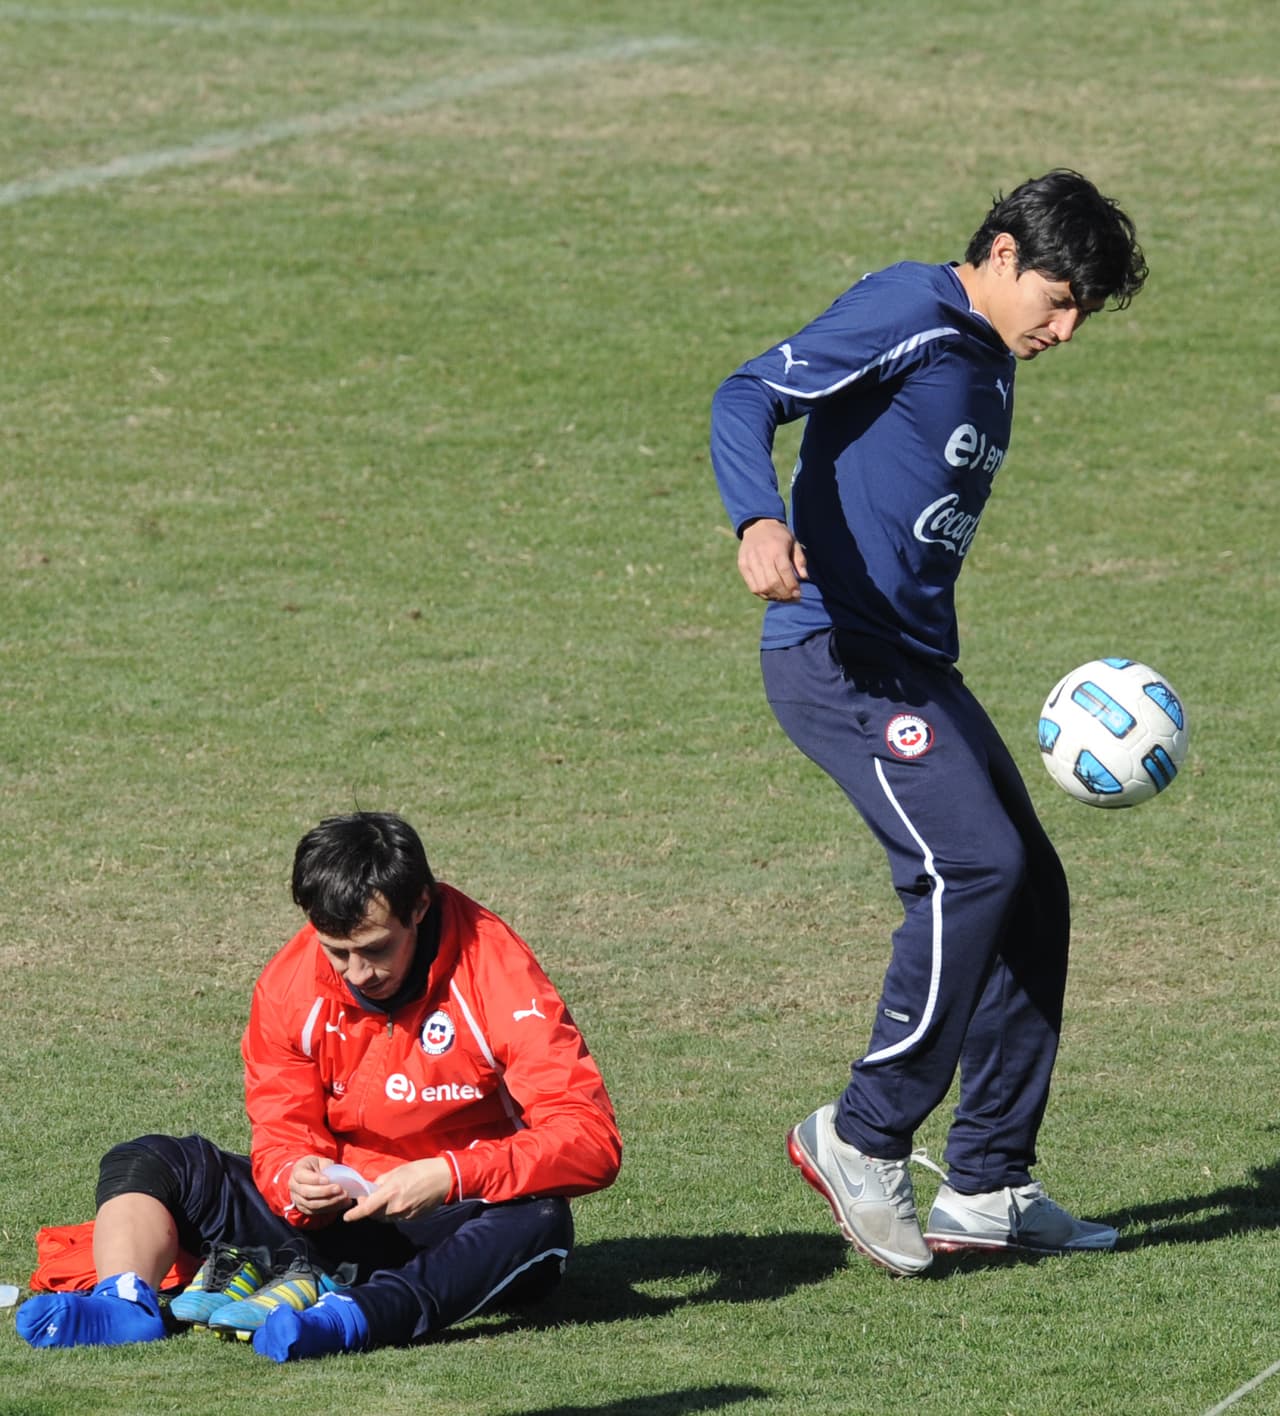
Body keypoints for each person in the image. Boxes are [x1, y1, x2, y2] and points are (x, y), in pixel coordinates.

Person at [709, 170, 1147, 1276]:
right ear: (1000, 253)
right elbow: (747, 391)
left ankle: (988, 1181)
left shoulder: (989, 355)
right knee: (972, 865)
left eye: (1082, 313)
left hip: (913, 667)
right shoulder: (911, 306)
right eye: (1057, 298)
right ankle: (861, 1136)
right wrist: (756, 518)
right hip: (833, 655)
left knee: (1031, 892)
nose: (1065, 329)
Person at [18, 812, 622, 1357]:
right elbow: (281, 1127)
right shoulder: (290, 984)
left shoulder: (494, 969)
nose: (358, 973)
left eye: (375, 949)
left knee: (541, 1220)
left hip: (457, 1219)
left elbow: (590, 1139)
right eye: (337, 952)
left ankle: (351, 1319)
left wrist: (450, 1175)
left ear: (419, 906)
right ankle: (126, 1303)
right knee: (151, 1160)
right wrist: (294, 1179)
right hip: (338, 1219)